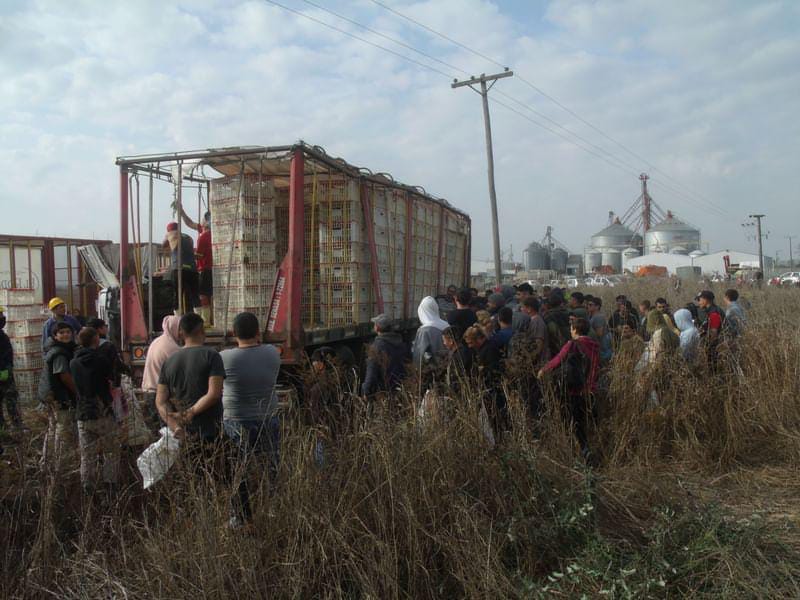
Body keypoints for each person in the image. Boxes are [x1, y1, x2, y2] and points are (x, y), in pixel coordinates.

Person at [220, 312, 281, 523]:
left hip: (236, 421)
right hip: (267, 417)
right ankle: (274, 508)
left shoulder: (225, 357)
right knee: (270, 465)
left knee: (238, 469)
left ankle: (239, 517)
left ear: (233, 333)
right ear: (258, 332)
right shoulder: (273, 353)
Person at [156, 313, 225, 474]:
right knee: (214, 477)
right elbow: (214, 393)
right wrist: (190, 413)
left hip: (182, 435)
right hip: (209, 430)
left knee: (189, 477)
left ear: (181, 333)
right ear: (202, 331)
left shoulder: (169, 361)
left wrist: (174, 424)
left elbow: (160, 401)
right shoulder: (212, 356)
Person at [537, 318, 599, 462]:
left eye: (571, 329)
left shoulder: (572, 344)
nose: (571, 331)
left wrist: (543, 370)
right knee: (586, 422)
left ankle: (583, 454)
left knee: (575, 423)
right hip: (591, 389)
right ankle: (590, 450)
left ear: (575, 330)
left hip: (576, 391)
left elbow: (559, 358)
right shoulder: (594, 345)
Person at [70, 327, 120, 496]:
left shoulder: (74, 362)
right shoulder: (101, 360)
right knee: (110, 451)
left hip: (83, 412)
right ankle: (110, 486)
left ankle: (87, 488)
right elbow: (113, 381)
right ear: (95, 339)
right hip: (102, 410)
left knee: (86, 454)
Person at [39, 322, 78, 471]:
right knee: (62, 430)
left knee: (52, 428)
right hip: (59, 398)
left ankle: (47, 463)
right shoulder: (59, 353)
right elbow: (64, 376)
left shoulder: (58, 349)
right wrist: (77, 392)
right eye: (61, 333)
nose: (66, 335)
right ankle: (61, 466)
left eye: (68, 332)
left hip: (51, 396)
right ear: (55, 336)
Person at [463, 325, 507, 438]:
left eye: (471, 343)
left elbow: (494, 369)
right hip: (487, 388)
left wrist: (481, 370)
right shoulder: (483, 348)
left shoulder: (489, 349)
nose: (470, 346)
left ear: (479, 339)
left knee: (496, 417)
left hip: (492, 388)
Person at [141, 315, 182, 432]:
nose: (181, 333)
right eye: (180, 329)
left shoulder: (157, 341)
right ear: (174, 328)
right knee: (167, 433)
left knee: (157, 432)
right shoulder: (172, 348)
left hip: (149, 391)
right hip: (159, 395)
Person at [361, 314, 409, 397]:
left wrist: (365, 390)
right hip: (400, 390)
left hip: (383, 392)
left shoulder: (376, 347)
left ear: (377, 328)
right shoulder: (401, 343)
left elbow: (371, 374)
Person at [181, 209, 214, 325]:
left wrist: (188, 254)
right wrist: (182, 212)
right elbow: (189, 223)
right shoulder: (207, 232)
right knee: (206, 294)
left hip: (205, 268)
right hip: (209, 268)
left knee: (203, 295)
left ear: (206, 222)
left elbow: (199, 256)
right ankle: (206, 320)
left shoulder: (204, 236)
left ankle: (205, 321)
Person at [162, 221, 199, 313]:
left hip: (179, 269)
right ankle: (199, 317)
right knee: (195, 295)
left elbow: (163, 245)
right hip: (192, 269)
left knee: (177, 295)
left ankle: (177, 319)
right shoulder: (189, 237)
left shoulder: (171, 234)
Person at [0, 307, 23, 430]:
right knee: (10, 398)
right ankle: (11, 425)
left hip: (6, 371)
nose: (2, 317)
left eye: (2, 314)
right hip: (3, 372)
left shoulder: (2, 335)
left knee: (11, 398)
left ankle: (13, 425)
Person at [412, 296, 448, 374]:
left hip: (432, 371)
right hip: (446, 367)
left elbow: (418, 354)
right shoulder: (446, 324)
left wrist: (416, 372)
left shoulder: (424, 330)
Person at [697, 290, 724, 371]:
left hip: (714, 346)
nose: (699, 302)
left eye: (700, 300)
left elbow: (714, 333)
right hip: (717, 344)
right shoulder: (714, 309)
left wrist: (708, 346)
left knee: (712, 366)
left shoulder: (713, 313)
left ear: (706, 300)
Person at [543, 290, 571, 357]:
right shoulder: (569, 313)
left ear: (548, 304)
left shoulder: (549, 316)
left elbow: (554, 332)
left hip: (558, 349)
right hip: (571, 345)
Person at [586, 296, 612, 363]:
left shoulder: (598, 317)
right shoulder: (592, 316)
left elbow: (599, 334)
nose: (588, 306)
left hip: (602, 346)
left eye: (590, 305)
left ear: (597, 307)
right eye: (588, 304)